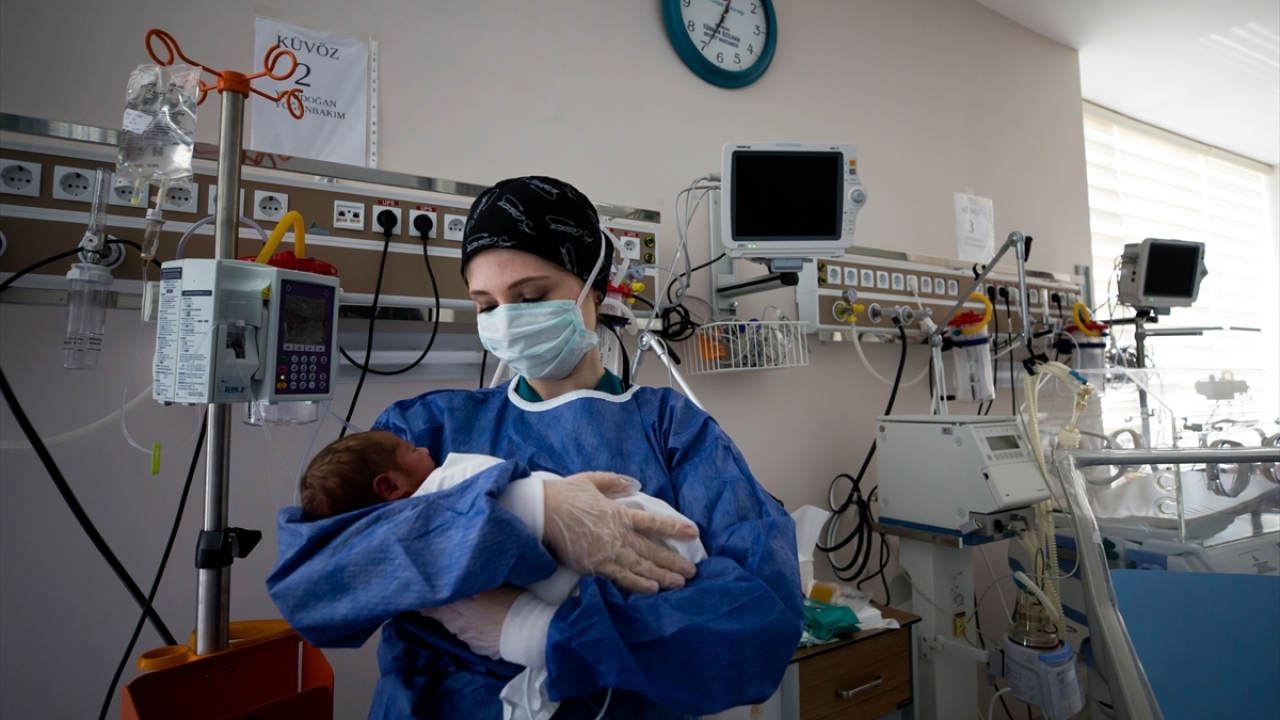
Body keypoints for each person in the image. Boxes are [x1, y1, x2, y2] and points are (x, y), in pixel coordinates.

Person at [268, 176, 804, 719]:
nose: (507, 320)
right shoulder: (425, 431)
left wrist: (535, 631)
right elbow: (315, 584)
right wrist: (525, 510)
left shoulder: (673, 431)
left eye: (530, 297)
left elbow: (759, 624)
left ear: (596, 286)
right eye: (485, 305)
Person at [298, 429, 708, 720]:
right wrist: (524, 628)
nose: (424, 446)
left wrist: (535, 505)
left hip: (601, 563)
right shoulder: (439, 490)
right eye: (411, 449)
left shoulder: (665, 421)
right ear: (390, 487)